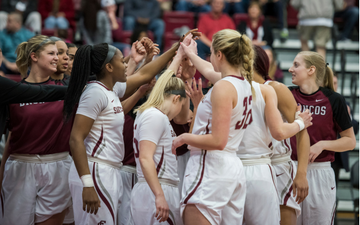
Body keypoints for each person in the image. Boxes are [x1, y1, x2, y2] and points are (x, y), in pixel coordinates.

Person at [64, 30, 200, 225]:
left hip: (109, 169)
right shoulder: (94, 92)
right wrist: (87, 184)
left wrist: (175, 49)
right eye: (122, 60)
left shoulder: (111, 91)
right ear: (109, 67)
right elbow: (75, 138)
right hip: (95, 170)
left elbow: (146, 74)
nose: (125, 63)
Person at [172, 29, 254, 225]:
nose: (209, 58)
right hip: (231, 168)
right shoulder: (243, 83)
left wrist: (183, 138)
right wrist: (191, 53)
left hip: (210, 167)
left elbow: (217, 140)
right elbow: (209, 70)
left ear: (219, 55)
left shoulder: (223, 87)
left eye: (211, 53)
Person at [0, 35, 73, 225]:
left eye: (58, 53)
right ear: (34, 56)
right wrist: (1, 174)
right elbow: (11, 138)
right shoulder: (13, 91)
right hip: (20, 165)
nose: (57, 57)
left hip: (58, 164)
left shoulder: (67, 89)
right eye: (51, 53)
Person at [288, 51, 356, 225]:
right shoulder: (287, 95)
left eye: (296, 65)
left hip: (320, 172)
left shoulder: (334, 99)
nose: (290, 69)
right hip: (289, 170)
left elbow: (350, 141)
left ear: (311, 70)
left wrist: (323, 145)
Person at [131, 36, 193, 224]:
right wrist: (159, 195)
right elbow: (145, 157)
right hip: (156, 190)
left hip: (155, 188)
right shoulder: (155, 116)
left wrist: (178, 56)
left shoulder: (151, 113)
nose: (178, 113)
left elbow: (164, 82)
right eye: (181, 105)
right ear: (176, 99)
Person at [254, 45, 310, 225]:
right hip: (253, 166)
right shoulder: (236, 88)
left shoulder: (276, 88)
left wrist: (301, 173)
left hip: (279, 167)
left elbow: (302, 132)